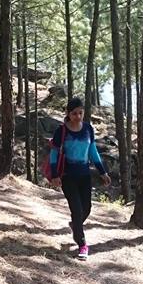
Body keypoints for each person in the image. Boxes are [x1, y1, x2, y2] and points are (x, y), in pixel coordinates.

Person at [50, 96, 111, 260]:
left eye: (80, 113)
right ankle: (82, 245)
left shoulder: (88, 129)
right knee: (77, 211)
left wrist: (102, 171)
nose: (78, 116)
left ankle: (75, 225)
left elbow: (93, 151)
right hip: (68, 176)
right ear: (68, 114)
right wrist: (55, 175)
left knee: (87, 209)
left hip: (84, 176)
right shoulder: (61, 131)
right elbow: (54, 153)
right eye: (74, 113)